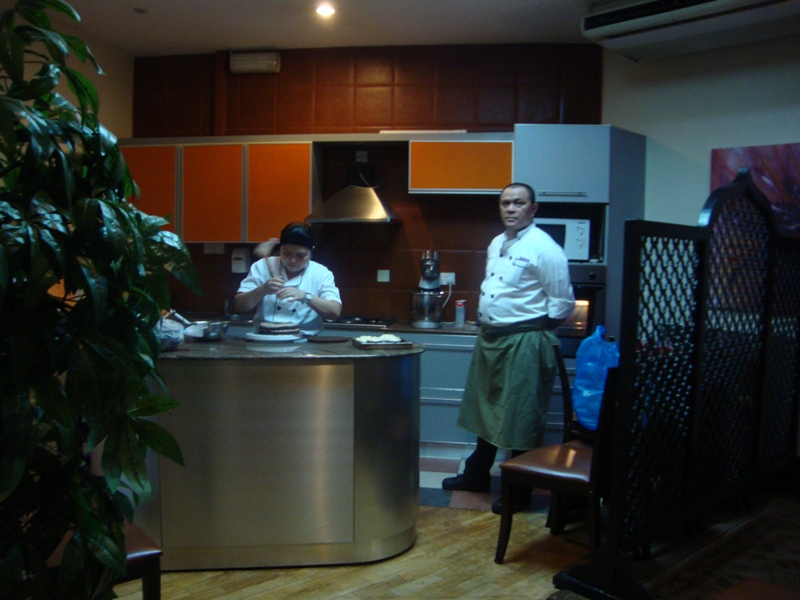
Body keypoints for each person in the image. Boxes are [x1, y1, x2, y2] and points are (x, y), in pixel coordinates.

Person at [441, 182, 576, 514]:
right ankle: (477, 476)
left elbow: (563, 304)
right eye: (505, 203)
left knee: (520, 417)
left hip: (524, 341)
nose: (511, 209)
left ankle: (519, 491)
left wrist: (529, 330)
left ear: (533, 209)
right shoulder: (496, 242)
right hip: (490, 340)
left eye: (518, 203)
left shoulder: (545, 248)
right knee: (484, 412)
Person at [233, 222, 342, 336]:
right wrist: (263, 289)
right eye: (286, 253)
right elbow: (239, 306)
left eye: (300, 255)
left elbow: (334, 312)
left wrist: (305, 296)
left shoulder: (320, 273)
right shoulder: (262, 266)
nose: (292, 260)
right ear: (280, 249)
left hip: (306, 340)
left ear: (311, 252)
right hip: (264, 338)